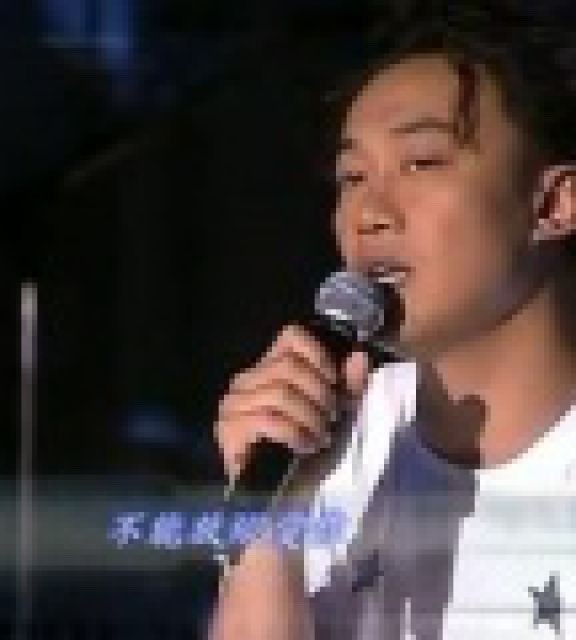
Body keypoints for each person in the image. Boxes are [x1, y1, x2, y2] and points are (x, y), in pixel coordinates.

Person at [209, 0, 576, 637]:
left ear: (553, 204)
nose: (369, 213)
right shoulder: (320, 437)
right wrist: (270, 523)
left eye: (421, 162)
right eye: (352, 176)